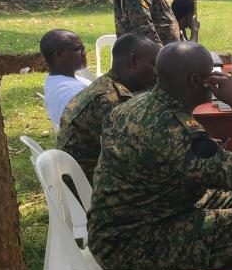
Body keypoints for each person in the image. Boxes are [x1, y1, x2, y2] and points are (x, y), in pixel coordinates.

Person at [87, 42, 232, 270]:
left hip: (146, 213)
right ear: (197, 80)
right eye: (211, 74)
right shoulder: (175, 130)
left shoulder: (134, 105)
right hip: (128, 240)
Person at [56, 33, 161, 180]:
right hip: (90, 187)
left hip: (81, 178)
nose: (156, 72)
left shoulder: (105, 85)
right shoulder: (109, 99)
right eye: (153, 64)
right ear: (133, 61)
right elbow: (138, 154)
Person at [40, 29, 91, 128]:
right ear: (59, 54)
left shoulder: (59, 80)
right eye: (79, 49)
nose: (84, 53)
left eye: (84, 49)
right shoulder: (70, 92)